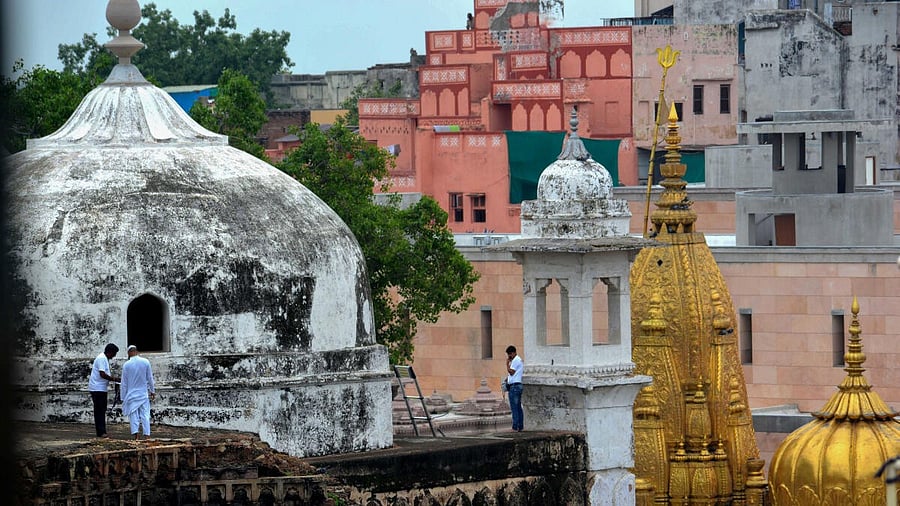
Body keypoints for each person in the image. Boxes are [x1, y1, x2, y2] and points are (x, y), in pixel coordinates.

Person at [120, 345, 156, 440]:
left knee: (133, 416)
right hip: (143, 394)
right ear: (137, 351)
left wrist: (123, 397)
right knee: (145, 415)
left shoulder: (126, 365)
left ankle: (136, 436)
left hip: (131, 395)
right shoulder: (145, 362)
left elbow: (124, 383)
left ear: (129, 353)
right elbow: (150, 378)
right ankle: (147, 436)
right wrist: (152, 391)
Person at [88, 343, 120, 437]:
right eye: (114, 353)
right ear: (110, 352)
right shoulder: (102, 358)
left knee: (101, 410)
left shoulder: (103, 358)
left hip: (100, 388)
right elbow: (102, 374)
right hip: (98, 388)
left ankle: (102, 431)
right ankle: (101, 432)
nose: (114, 356)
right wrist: (114, 379)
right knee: (100, 410)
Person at [505, 345, 524, 432]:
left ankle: (515, 426)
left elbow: (511, 372)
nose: (509, 356)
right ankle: (520, 426)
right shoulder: (518, 360)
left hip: (515, 387)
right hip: (517, 385)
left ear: (513, 353)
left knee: (514, 407)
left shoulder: (516, 360)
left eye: (509, 354)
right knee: (518, 407)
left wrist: (507, 365)